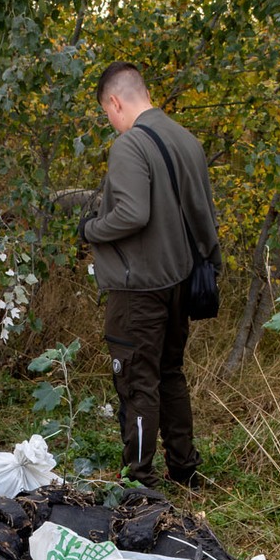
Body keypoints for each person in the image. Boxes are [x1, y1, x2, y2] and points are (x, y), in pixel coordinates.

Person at [74, 63, 221, 489]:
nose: (110, 121)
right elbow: (204, 214)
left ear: (115, 102)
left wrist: (91, 229)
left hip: (138, 287)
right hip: (179, 281)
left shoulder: (130, 145)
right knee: (170, 372)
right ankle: (185, 470)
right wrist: (211, 264)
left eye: (107, 112)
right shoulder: (186, 139)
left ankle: (139, 482)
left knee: (137, 383)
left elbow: (132, 214)